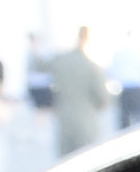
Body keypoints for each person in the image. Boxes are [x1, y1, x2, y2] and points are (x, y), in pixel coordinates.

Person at [45, 27, 109, 157]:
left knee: (66, 163)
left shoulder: (61, 61)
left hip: (65, 120)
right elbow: (103, 99)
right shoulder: (92, 67)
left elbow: (41, 67)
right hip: (86, 121)